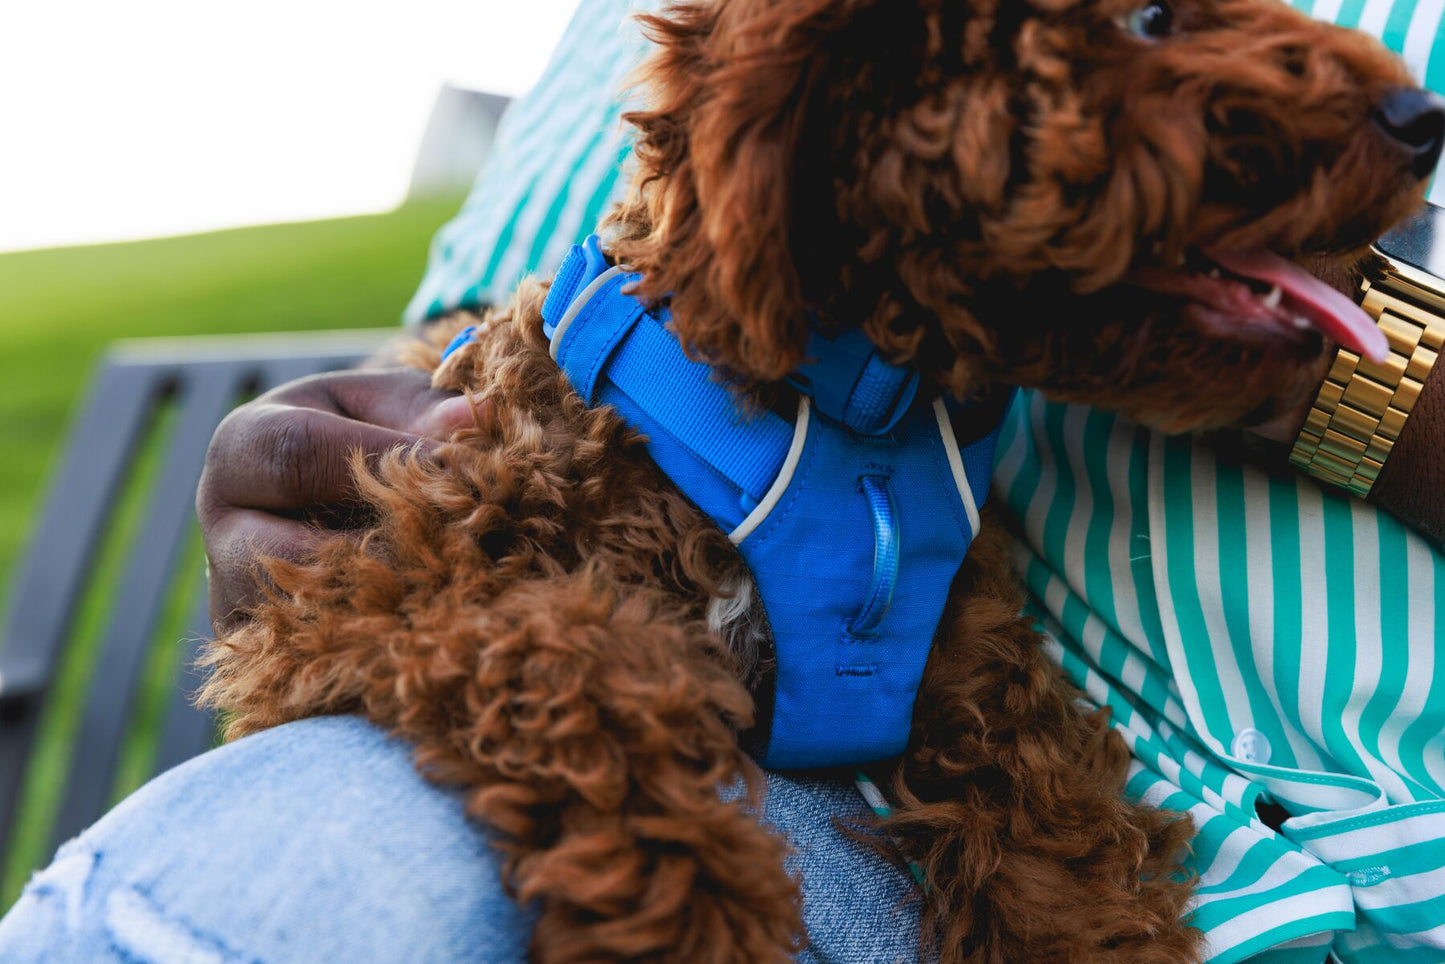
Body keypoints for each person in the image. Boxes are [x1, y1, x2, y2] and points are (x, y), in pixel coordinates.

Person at [3, 1, 1445, 961]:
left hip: (1133, 848)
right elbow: (469, 359)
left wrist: (1335, 364)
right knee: (267, 899)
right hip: (740, 789)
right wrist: (338, 487)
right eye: (1142, 23)